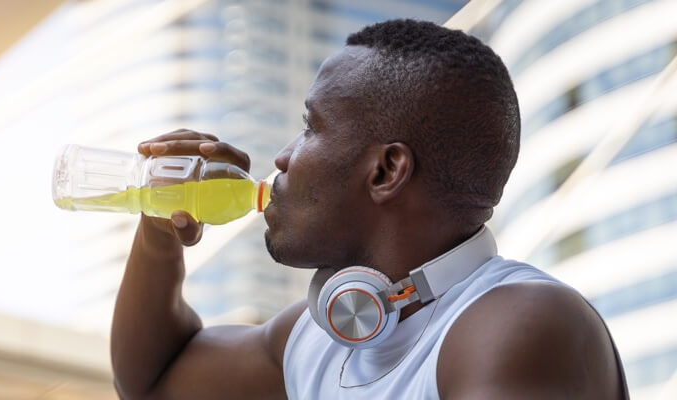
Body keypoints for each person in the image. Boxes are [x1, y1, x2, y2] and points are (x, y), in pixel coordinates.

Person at [110, 19, 628, 399]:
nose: (283, 156)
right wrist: (158, 233)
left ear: (386, 172)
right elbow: (156, 380)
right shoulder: (316, 340)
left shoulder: (519, 321)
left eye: (311, 126)